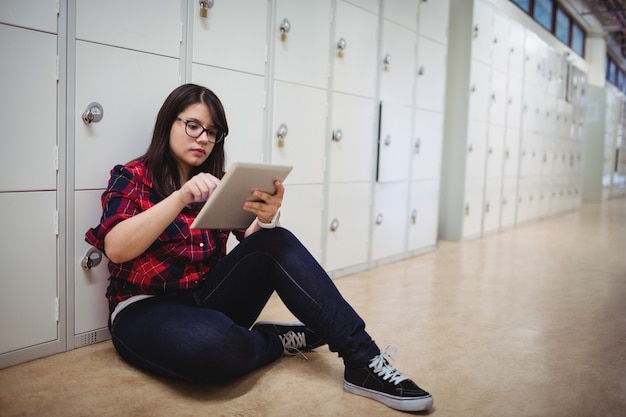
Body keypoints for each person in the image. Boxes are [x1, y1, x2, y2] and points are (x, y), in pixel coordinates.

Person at [85, 83, 433, 412]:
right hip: (145, 310)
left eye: (212, 132)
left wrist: (266, 218)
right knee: (214, 350)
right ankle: (276, 340)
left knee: (275, 239)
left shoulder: (216, 185)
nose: (203, 138)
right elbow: (116, 248)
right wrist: (181, 197)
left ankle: (364, 360)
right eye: (193, 126)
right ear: (168, 123)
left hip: (206, 297)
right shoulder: (132, 176)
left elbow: (257, 244)